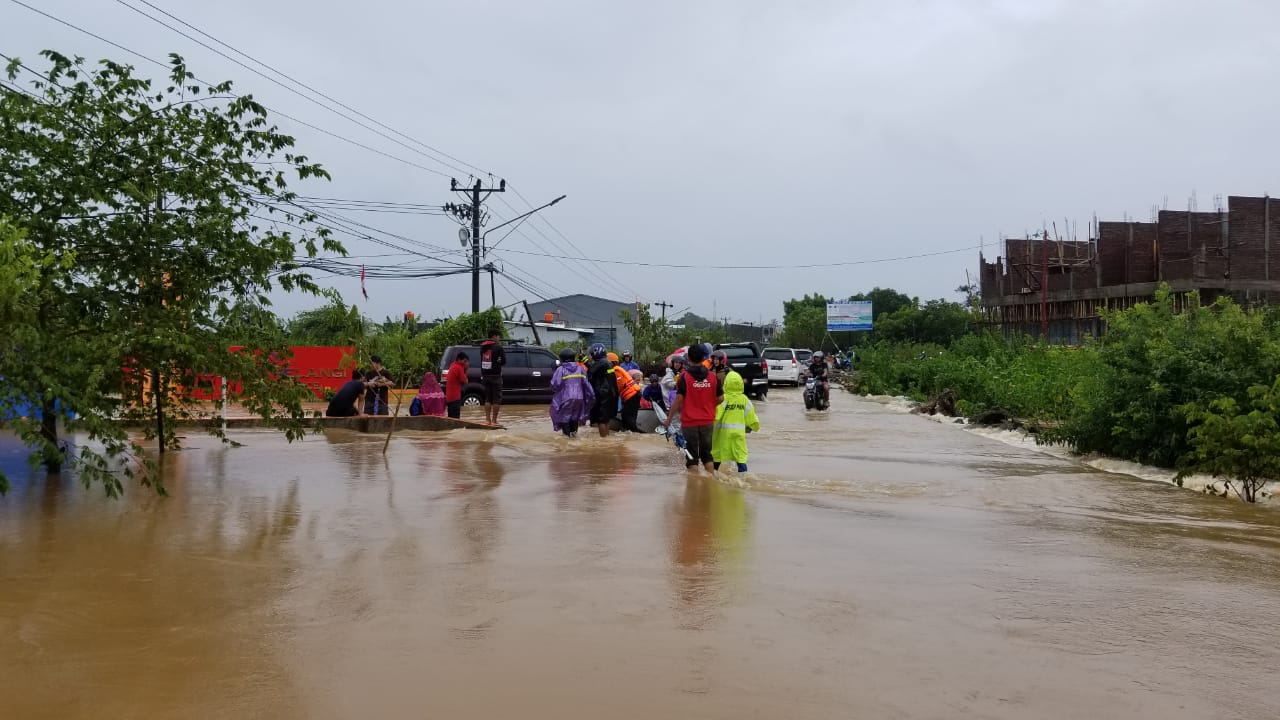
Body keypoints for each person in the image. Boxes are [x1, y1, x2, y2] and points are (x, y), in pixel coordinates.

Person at [662, 342, 722, 472]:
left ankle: (693, 489)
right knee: (707, 457)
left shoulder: (684, 377)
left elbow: (678, 399)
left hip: (690, 423)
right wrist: (709, 406)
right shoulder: (712, 377)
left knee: (692, 459)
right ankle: (710, 485)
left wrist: (669, 419)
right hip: (708, 422)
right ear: (703, 358)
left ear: (688, 359)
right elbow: (721, 398)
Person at [712, 370, 760, 473]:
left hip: (723, 435)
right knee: (740, 457)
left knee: (717, 456)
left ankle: (712, 477)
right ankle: (742, 480)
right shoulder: (744, 399)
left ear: (726, 383)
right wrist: (754, 426)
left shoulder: (724, 398)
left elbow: (716, 416)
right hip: (739, 434)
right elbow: (751, 416)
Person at [550, 348, 594, 437]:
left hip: (566, 398)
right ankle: (574, 436)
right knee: (574, 417)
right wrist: (591, 397)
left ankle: (567, 439)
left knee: (564, 418)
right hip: (580, 398)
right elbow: (587, 384)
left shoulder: (561, 369)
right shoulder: (581, 368)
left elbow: (554, 384)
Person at [587, 343, 618, 437]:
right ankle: (607, 438)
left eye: (591, 354)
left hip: (603, 395)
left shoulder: (600, 363)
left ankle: (604, 440)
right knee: (605, 420)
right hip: (610, 394)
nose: (590, 356)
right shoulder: (606, 362)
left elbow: (590, 373)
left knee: (601, 421)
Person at [479, 329, 506, 426]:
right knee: (496, 399)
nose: (499, 338)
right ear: (494, 336)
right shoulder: (498, 348)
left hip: (485, 376)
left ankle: (487, 420)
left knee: (487, 399)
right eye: (498, 336)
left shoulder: (483, 347)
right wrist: (498, 361)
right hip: (496, 376)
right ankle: (494, 421)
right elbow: (503, 361)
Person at [609, 352, 642, 432]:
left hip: (632, 395)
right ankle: (632, 434)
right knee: (628, 417)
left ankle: (636, 434)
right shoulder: (617, 369)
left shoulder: (616, 370)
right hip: (633, 394)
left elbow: (619, 385)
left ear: (611, 362)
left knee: (628, 418)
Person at [444, 352, 469, 419]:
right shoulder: (459, 367)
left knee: (451, 418)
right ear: (459, 360)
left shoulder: (452, 365)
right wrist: (466, 369)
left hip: (449, 397)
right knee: (456, 419)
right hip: (455, 397)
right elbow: (465, 381)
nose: (465, 363)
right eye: (464, 361)